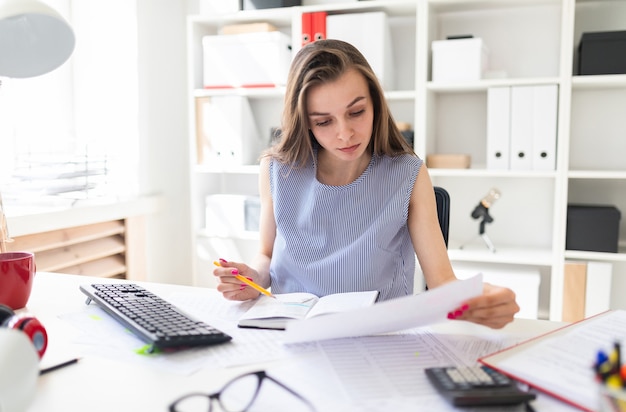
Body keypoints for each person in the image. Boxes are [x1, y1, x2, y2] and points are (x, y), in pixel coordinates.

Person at [214, 39, 519, 329]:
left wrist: (481, 298)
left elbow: (442, 281)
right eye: (323, 121)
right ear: (305, 120)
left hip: (376, 338)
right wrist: (252, 277)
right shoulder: (276, 170)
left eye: (356, 112)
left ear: (375, 104)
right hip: (289, 332)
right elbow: (267, 254)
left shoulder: (408, 175)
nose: (345, 134)